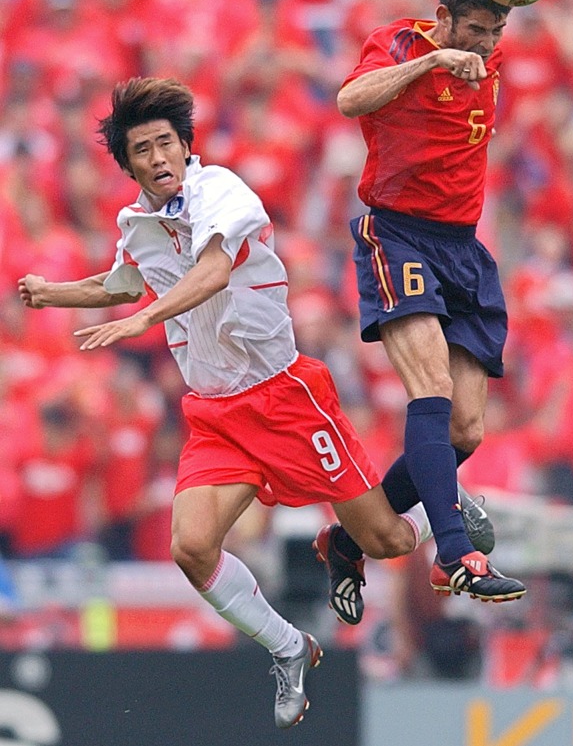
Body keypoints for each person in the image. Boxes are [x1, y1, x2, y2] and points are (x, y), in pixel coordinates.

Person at [17, 76, 438, 730]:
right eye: (142, 150)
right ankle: (288, 645)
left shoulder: (222, 192)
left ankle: (444, 509)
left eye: (165, 143)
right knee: (191, 546)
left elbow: (212, 268)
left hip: (285, 396)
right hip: (216, 412)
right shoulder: (140, 223)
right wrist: (52, 292)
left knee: (383, 539)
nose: (158, 158)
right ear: (127, 164)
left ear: (186, 145)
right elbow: (121, 281)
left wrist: (143, 320)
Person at [314, 0, 526, 624]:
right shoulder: (404, 45)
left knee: (466, 427)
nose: (485, 44)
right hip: (398, 234)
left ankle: (347, 540)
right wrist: (431, 66)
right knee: (429, 389)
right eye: (474, 30)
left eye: (494, 32)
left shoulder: (491, 59)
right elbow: (351, 100)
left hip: (464, 249)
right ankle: (455, 552)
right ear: (444, 18)